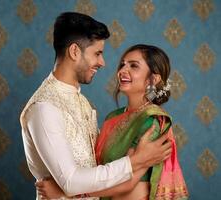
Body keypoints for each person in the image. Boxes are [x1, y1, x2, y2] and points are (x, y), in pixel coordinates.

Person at [20, 12, 172, 200]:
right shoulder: (44, 108)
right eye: (97, 54)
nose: (103, 62)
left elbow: (100, 172)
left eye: (133, 66)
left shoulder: (84, 103)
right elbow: (71, 182)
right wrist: (135, 161)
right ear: (74, 51)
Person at [36, 44, 189, 200]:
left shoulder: (151, 120)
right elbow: (99, 171)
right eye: (122, 64)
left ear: (154, 79)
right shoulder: (112, 117)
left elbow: (129, 181)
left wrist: (65, 193)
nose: (122, 70)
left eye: (134, 66)